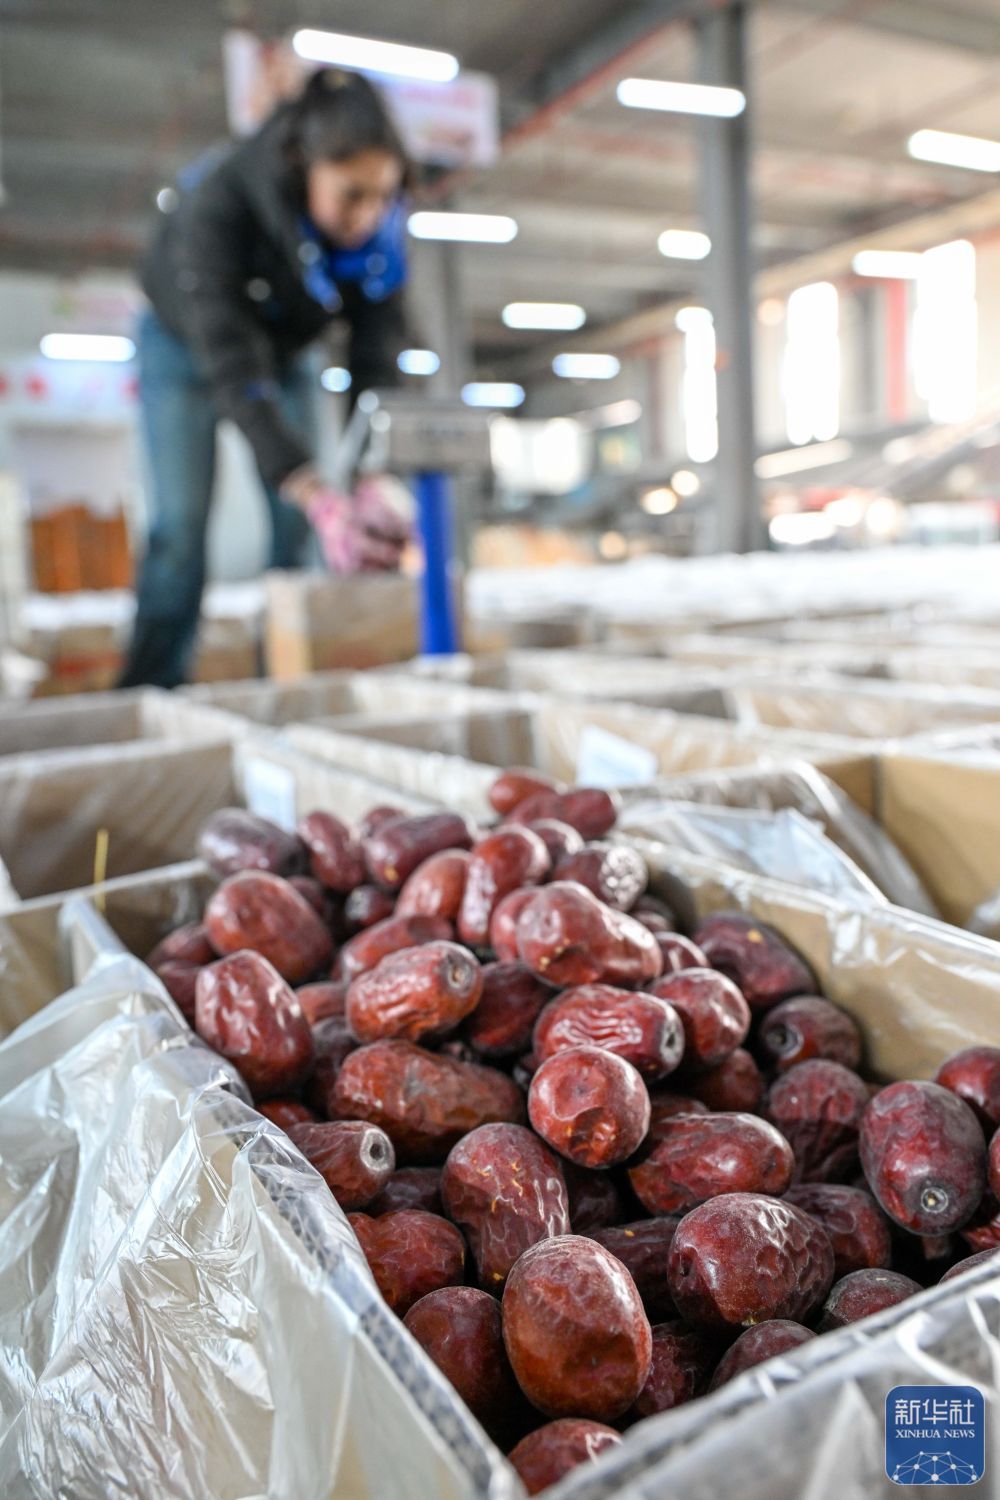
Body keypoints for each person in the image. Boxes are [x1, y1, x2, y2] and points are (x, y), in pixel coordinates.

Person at [119, 68, 412, 689]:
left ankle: (285, 685)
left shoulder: (378, 235)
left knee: (295, 529)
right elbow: (230, 359)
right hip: (186, 347)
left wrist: (370, 471)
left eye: (382, 195)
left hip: (284, 348)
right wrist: (308, 482)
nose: (368, 214)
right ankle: (151, 689)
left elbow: (376, 354)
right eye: (351, 194)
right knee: (180, 528)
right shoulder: (222, 200)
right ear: (305, 164)